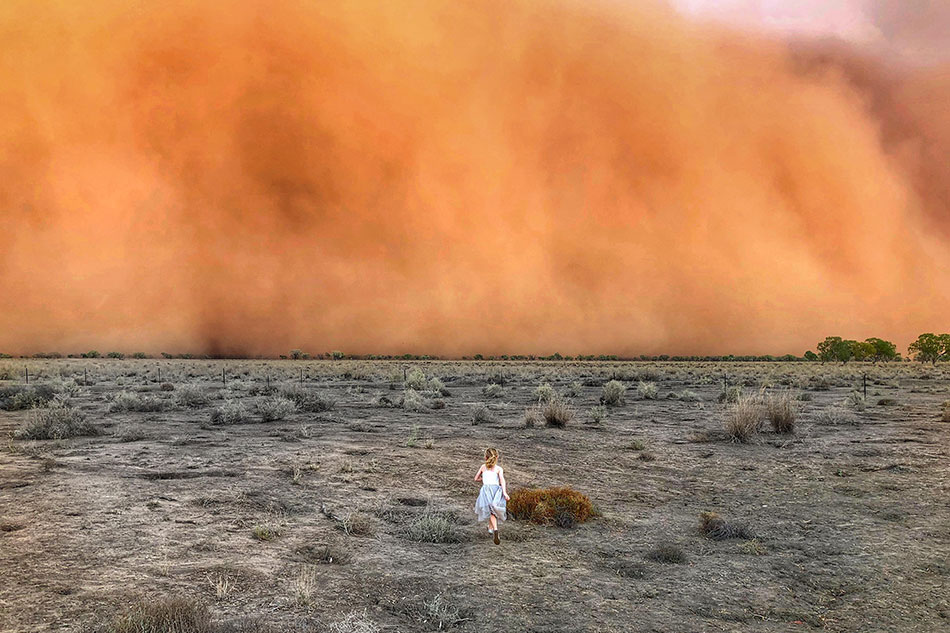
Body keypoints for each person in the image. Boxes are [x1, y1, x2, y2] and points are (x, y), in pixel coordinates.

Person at [474, 447, 509, 544]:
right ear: (497, 457)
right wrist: (505, 492)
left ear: (485, 457)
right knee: (494, 510)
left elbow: (476, 479)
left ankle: (495, 529)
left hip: (486, 490)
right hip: (496, 490)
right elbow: (502, 481)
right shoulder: (499, 469)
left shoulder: (483, 467)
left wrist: (484, 478)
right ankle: (491, 528)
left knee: (491, 510)